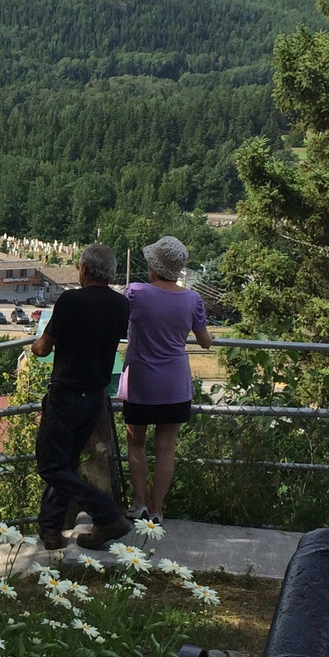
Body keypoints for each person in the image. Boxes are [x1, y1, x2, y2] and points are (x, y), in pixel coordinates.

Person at [30, 244, 131, 551]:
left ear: (84, 270)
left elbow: (44, 347)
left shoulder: (70, 300)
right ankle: (50, 530)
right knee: (67, 464)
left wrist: (34, 346)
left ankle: (107, 512)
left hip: (66, 395)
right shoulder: (120, 305)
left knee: (49, 465)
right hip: (95, 398)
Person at [122, 236, 213, 525]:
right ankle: (157, 509)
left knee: (136, 444)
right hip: (175, 386)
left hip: (141, 382)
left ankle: (139, 504)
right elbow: (206, 341)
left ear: (154, 266)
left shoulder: (136, 292)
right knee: (166, 449)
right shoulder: (192, 299)